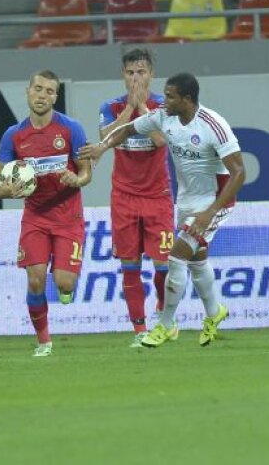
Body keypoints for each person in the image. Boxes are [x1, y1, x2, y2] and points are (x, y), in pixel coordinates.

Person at [81, 72, 244, 349]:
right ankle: (215, 312)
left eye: (170, 96)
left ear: (187, 99)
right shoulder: (164, 117)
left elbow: (239, 173)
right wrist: (102, 147)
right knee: (197, 260)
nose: (163, 100)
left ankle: (165, 325)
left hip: (216, 201)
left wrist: (209, 213)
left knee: (177, 257)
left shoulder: (213, 125)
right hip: (188, 201)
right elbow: (128, 129)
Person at [0, 70, 92, 358]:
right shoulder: (14, 135)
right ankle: (44, 341)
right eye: (38, 89)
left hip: (68, 216)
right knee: (34, 279)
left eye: (49, 91)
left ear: (55, 96)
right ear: (28, 91)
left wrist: (77, 179)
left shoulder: (71, 129)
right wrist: (1, 191)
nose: (42, 95)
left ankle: (67, 285)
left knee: (63, 283)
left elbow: (86, 171)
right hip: (34, 216)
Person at [97, 49, 175, 347]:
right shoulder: (111, 106)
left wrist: (142, 106)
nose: (135, 78)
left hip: (158, 196)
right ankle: (139, 331)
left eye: (141, 72)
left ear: (151, 75)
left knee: (163, 265)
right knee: (130, 265)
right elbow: (106, 141)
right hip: (124, 197)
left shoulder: (163, 106)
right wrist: (129, 109)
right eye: (130, 72)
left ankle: (162, 315)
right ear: (122, 75)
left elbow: (159, 141)